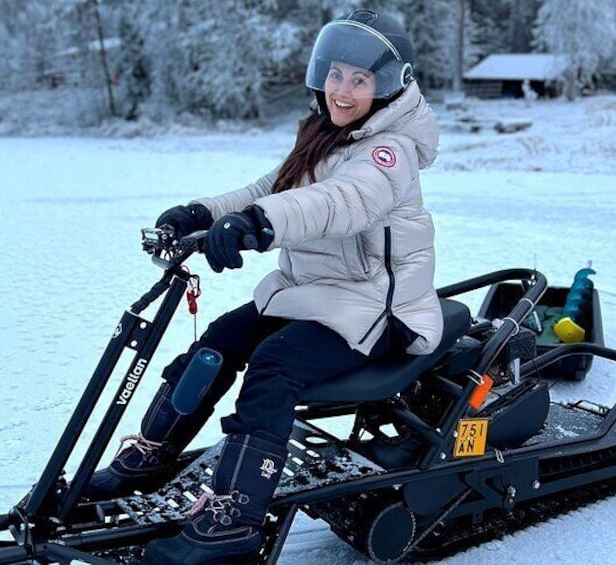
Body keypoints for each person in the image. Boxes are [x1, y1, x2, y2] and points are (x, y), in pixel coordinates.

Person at [88, 9, 444, 564]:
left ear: (388, 86)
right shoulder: (325, 135)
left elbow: (343, 201)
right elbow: (269, 187)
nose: (343, 91)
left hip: (377, 308)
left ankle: (234, 518)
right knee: (217, 343)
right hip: (316, 297)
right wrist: (200, 213)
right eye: (336, 75)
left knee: (274, 366)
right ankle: (153, 456)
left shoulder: (387, 150)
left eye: (360, 80)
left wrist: (260, 224)